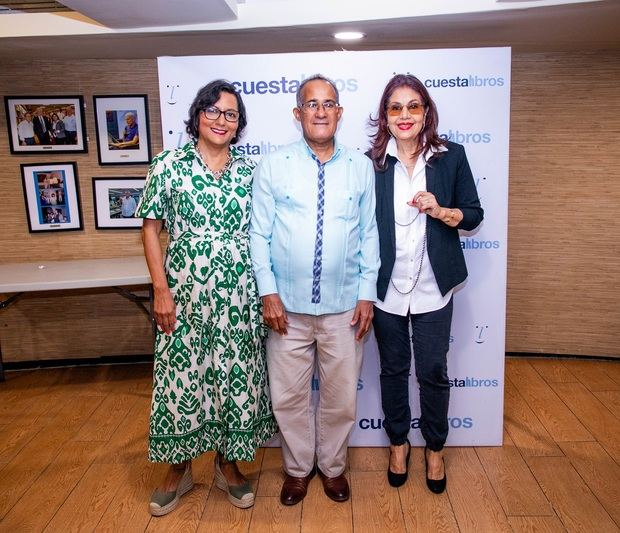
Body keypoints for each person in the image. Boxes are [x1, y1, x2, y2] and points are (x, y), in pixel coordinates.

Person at [136, 79, 277, 517]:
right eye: (213, 111)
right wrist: (161, 290)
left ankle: (227, 465)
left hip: (239, 296)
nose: (221, 120)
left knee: (234, 380)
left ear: (240, 125)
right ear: (197, 115)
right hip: (184, 295)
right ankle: (177, 469)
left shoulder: (251, 172)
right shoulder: (168, 165)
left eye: (231, 114)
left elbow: (266, 233)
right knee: (183, 381)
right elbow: (150, 229)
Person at [250, 74, 380, 506]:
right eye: (312, 104)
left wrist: (366, 294)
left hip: (345, 307)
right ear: (298, 113)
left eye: (328, 104)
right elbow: (258, 235)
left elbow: (369, 234)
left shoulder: (360, 166)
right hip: (286, 308)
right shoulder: (274, 164)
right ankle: (297, 471)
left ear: (339, 113)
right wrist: (268, 293)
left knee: (341, 398)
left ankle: (333, 469)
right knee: (288, 398)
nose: (320, 111)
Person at [367, 74, 483, 494]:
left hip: (436, 286)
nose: (404, 115)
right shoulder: (372, 163)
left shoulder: (451, 157)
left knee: (433, 371)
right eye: (395, 107)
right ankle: (399, 444)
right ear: (385, 115)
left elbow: (473, 215)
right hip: (387, 290)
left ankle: (435, 448)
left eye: (413, 106)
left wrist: (442, 210)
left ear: (426, 112)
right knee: (393, 371)